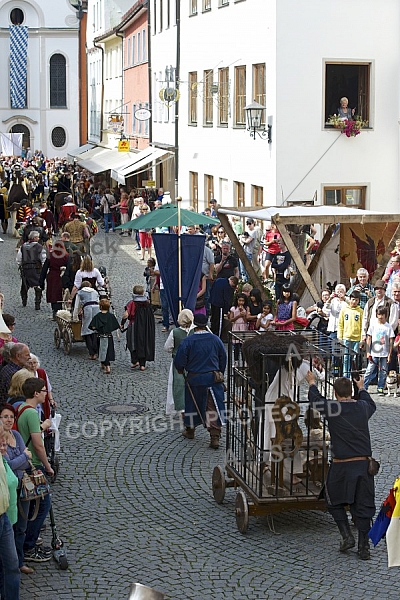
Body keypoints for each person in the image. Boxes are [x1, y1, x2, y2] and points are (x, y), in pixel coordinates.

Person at [306, 372, 376, 560]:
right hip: (363, 465)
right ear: (351, 393)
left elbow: (315, 399)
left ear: (336, 394)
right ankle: (364, 547)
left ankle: (347, 536)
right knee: (363, 506)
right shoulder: (362, 407)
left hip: (341, 466)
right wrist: (361, 387)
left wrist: (312, 383)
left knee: (332, 500)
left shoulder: (332, 408)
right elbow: (370, 403)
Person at [174, 313, 227, 449]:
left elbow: (179, 360)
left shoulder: (188, 341)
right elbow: (223, 358)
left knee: (192, 403)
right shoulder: (215, 340)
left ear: (195, 325)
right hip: (212, 378)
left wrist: (181, 369)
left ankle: (190, 429)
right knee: (212, 406)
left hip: (195, 378)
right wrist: (220, 372)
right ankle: (214, 435)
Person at [16, 378, 54, 563]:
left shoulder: (20, 407)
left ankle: (28, 542)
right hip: (35, 465)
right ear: (36, 393)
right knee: (43, 505)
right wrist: (48, 466)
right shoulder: (31, 413)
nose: (46, 393)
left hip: (27, 464)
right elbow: (38, 444)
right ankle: (29, 545)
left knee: (33, 505)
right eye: (44, 391)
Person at [0, 404, 33, 574]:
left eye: (11, 417)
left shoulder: (17, 435)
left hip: (23, 487)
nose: (8, 420)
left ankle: (19, 561)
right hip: (10, 489)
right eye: (5, 416)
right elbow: (9, 465)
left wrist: (22, 459)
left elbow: (26, 462)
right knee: (11, 527)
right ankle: (9, 563)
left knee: (22, 527)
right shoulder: (1, 441)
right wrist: (24, 456)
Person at [0, 422, 21, 599]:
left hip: (4, 516)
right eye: (0, 437)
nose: (3, 441)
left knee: (12, 565)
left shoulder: (1, 457)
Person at [164, 309, 194, 416]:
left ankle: (181, 408)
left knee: (178, 385)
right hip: (192, 362)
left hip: (178, 362)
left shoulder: (175, 332)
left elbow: (167, 347)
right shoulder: (195, 331)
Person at [121, 285, 155, 371]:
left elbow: (126, 315)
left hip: (134, 326)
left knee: (132, 343)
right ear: (143, 293)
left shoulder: (132, 303)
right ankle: (142, 364)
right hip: (145, 327)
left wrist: (122, 324)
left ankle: (135, 361)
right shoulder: (147, 303)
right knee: (144, 343)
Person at [364, 307, 395, 394]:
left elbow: (391, 341)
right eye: (379, 314)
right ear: (376, 315)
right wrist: (367, 351)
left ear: (386, 315)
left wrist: (389, 354)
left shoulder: (388, 327)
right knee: (369, 370)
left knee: (383, 371)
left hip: (384, 353)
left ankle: (380, 387)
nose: (380, 317)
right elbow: (369, 338)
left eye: (382, 315)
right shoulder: (373, 325)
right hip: (374, 352)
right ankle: (364, 387)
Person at [16, 230, 47, 309]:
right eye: (38, 237)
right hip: (36, 268)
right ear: (35, 238)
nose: (39, 238)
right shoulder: (39, 247)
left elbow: (19, 258)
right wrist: (44, 267)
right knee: (38, 286)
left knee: (24, 285)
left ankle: (24, 300)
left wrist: (20, 265)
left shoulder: (23, 246)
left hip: (26, 268)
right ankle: (37, 303)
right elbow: (43, 258)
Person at [39, 240, 70, 319]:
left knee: (53, 293)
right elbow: (69, 268)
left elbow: (44, 269)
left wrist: (41, 282)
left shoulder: (51, 256)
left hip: (52, 276)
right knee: (60, 294)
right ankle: (61, 311)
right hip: (62, 276)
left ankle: (55, 311)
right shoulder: (66, 256)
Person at [89, 298, 120, 374]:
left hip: (100, 336)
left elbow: (92, 326)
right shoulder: (111, 316)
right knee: (107, 350)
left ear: (100, 307)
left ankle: (107, 366)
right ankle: (103, 363)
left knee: (102, 350)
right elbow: (116, 326)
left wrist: (97, 327)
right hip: (109, 336)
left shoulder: (98, 316)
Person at [337, 290, 363, 378]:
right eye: (352, 299)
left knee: (354, 358)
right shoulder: (344, 310)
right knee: (346, 357)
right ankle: (346, 376)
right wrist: (340, 337)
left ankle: (354, 375)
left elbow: (362, 326)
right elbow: (340, 324)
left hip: (356, 339)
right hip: (346, 338)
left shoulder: (360, 312)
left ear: (358, 301)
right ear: (350, 299)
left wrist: (362, 339)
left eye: (356, 300)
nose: (354, 302)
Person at [72, 281, 100, 359]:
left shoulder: (80, 293)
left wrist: (75, 317)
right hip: (97, 308)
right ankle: (96, 350)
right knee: (95, 329)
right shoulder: (95, 291)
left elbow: (76, 306)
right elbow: (98, 301)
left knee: (87, 329)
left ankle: (92, 353)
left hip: (87, 308)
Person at [326, 284, 347, 375]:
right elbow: (326, 308)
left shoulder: (346, 302)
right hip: (333, 328)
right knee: (334, 349)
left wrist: (344, 298)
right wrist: (330, 298)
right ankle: (335, 368)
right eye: (338, 291)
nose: (339, 293)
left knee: (342, 349)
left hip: (343, 329)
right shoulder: (333, 301)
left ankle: (342, 368)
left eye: (341, 291)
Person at [228, 293, 248, 364]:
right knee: (236, 345)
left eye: (243, 301)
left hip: (243, 326)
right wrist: (239, 315)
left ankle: (244, 361)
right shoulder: (233, 308)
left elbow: (246, 320)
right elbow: (231, 319)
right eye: (240, 300)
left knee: (243, 344)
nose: (241, 302)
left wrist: (243, 315)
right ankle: (236, 361)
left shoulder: (246, 308)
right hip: (236, 326)